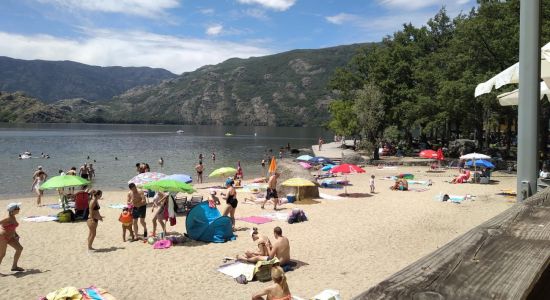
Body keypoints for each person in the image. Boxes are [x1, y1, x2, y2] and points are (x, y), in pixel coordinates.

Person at [0, 203, 24, 272]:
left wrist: (15, 234)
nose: (19, 209)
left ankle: (14, 266)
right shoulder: (7, 218)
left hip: (10, 237)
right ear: (13, 210)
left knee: (19, 249)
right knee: (2, 254)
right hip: (2, 237)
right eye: (18, 208)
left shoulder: (13, 217)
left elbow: (12, 227)